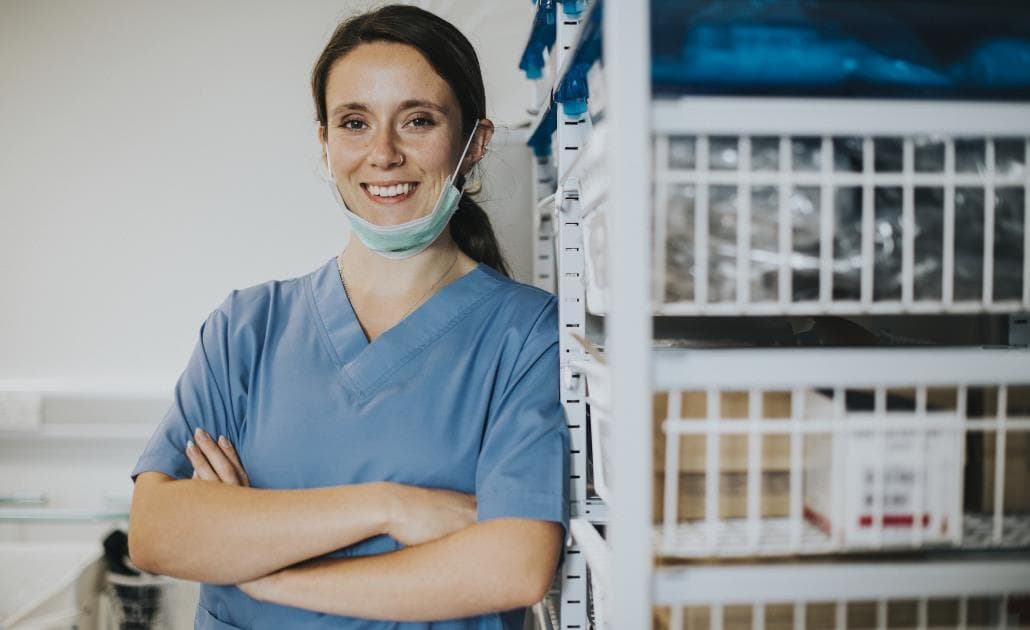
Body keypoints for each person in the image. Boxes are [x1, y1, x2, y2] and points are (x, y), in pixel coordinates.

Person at [127, 5, 569, 629]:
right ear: (325, 143)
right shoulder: (247, 328)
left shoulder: (527, 336)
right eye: (355, 123)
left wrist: (265, 572)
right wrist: (390, 508)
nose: (383, 154)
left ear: (474, 145)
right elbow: (156, 532)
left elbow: (511, 567)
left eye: (418, 120)